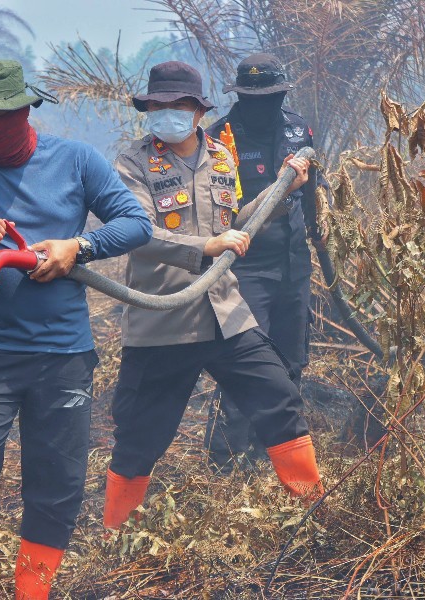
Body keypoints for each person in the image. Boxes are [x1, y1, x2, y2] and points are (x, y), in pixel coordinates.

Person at [0, 59, 152, 600]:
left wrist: (78, 247)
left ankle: (33, 592)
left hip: (63, 352)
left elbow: (135, 223)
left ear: (25, 111)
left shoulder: (75, 160)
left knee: (58, 481)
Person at [102, 61, 323, 531]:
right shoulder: (131, 163)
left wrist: (284, 192)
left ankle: (314, 512)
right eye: (158, 105)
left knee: (279, 396)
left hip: (225, 313)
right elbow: (137, 232)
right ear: (148, 109)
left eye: (179, 105)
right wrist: (205, 246)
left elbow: (237, 222)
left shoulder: (222, 155)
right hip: (164, 320)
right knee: (142, 435)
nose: (169, 113)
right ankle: (115, 530)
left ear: (198, 110)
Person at [203, 53, 328, 472]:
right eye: (253, 97)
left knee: (290, 363)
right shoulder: (218, 140)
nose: (263, 104)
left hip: (294, 265)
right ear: (240, 96)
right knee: (249, 365)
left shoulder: (298, 128)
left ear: (282, 94)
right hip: (243, 269)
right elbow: (217, 217)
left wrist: (319, 237)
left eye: (271, 96)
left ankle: (273, 459)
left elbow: (313, 195)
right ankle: (227, 463)